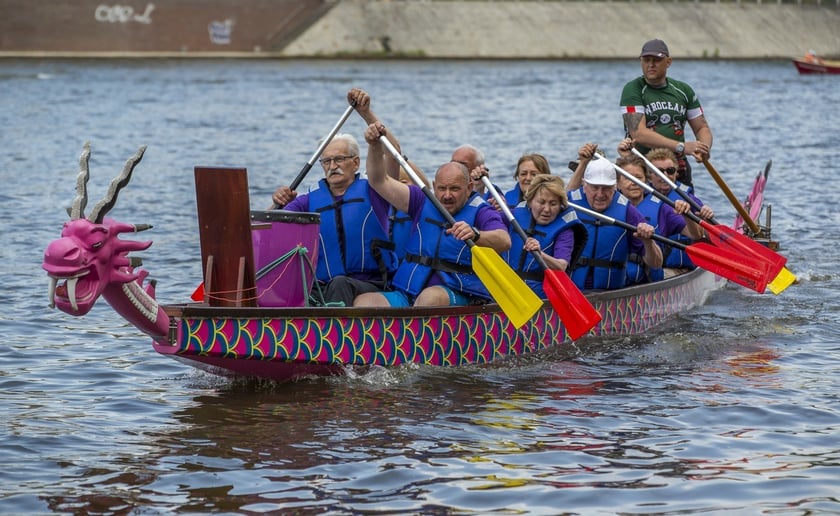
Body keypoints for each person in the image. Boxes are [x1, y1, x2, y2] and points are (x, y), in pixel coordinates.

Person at [354, 122, 511, 308]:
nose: (447, 195)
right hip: (409, 291)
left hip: (457, 293)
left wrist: (476, 234)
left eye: (454, 189)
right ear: (434, 186)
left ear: (469, 188)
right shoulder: (421, 200)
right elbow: (379, 181)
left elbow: (504, 240)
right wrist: (373, 146)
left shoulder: (482, 210)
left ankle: (417, 335)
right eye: (442, 188)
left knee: (430, 298)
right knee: (364, 302)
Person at [269, 88, 401, 307]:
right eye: (327, 162)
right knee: (295, 287)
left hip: (373, 283)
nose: (332, 167)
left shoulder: (376, 190)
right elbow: (270, 226)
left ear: (356, 162)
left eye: (339, 160)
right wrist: (277, 202)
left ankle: (329, 337)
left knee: (340, 284)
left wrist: (366, 114)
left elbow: (393, 152)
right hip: (322, 286)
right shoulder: (308, 201)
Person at [620, 39, 713, 187]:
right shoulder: (633, 90)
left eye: (656, 60)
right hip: (643, 167)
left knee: (683, 209)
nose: (651, 64)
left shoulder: (684, 90)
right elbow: (639, 133)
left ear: (668, 62)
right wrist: (682, 147)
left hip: (676, 168)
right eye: (646, 60)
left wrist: (703, 148)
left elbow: (702, 127)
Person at [567, 156, 663, 291]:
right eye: (595, 187)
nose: (600, 194)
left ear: (615, 187)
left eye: (606, 188)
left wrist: (648, 242)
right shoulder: (567, 204)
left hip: (610, 295)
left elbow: (657, 263)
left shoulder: (627, 211)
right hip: (569, 292)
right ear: (584, 185)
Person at [614, 154, 704, 284]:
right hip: (615, 281)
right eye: (628, 178)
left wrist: (686, 213)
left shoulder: (662, 208)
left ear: (645, 181)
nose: (634, 182)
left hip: (650, 282)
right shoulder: (606, 205)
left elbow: (696, 234)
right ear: (617, 183)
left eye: (638, 178)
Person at [504, 174, 587, 298]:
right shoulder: (512, 216)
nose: (547, 209)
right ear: (530, 201)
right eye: (541, 202)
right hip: (505, 289)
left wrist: (540, 253)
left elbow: (561, 266)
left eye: (553, 204)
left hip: (539, 295)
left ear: (560, 206)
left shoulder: (565, 230)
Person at [645, 148, 715, 270]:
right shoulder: (641, 197)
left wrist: (707, 215)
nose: (665, 175)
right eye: (659, 171)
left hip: (686, 264)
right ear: (649, 175)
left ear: (676, 173)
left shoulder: (687, 197)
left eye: (670, 171)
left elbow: (703, 232)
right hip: (655, 266)